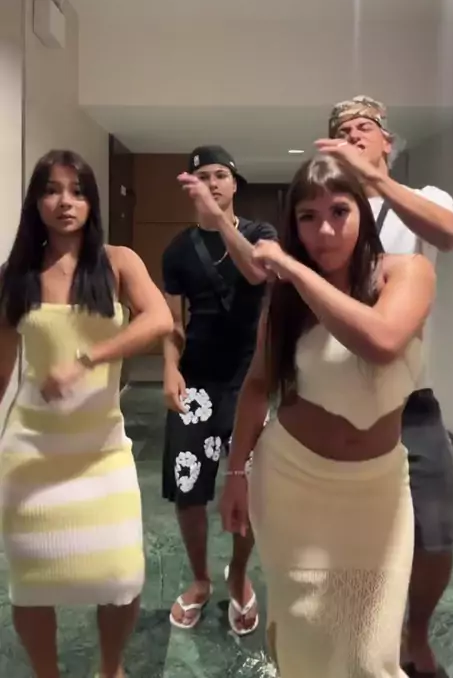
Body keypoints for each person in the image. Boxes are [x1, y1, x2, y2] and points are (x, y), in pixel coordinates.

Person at [221, 152, 436, 677]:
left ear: (363, 212)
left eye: (339, 211)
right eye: (307, 217)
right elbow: (257, 385)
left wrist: (292, 267)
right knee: (307, 645)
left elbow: (381, 341)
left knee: (371, 657)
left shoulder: (407, 273)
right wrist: (235, 473)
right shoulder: (287, 301)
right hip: (294, 484)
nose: (324, 230)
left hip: (379, 494)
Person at [0, 149, 174, 678]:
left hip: (102, 450)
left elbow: (160, 319)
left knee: (121, 577)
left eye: (77, 192)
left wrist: (87, 359)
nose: (65, 202)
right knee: (32, 585)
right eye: (52, 190)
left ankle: (110, 668)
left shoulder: (118, 262)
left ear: (92, 202)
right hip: (31, 453)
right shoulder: (15, 275)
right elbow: (1, 370)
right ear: (36, 202)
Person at [315, 96, 453, 678]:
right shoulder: (329, 212)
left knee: (436, 532)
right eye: (342, 130)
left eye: (365, 127)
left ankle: (414, 634)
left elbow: (449, 234)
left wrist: (378, 182)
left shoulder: (425, 197)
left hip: (411, 400)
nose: (354, 135)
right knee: (345, 536)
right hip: (341, 396)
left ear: (387, 141)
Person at [161, 145, 277, 634]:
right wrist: (170, 368)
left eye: (220, 176)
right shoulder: (177, 250)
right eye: (202, 176)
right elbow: (172, 323)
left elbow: (256, 272)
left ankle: (238, 575)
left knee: (248, 486)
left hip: (251, 381)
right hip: (198, 381)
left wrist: (220, 223)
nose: (212, 184)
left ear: (234, 183)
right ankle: (201, 579)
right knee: (188, 489)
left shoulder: (261, 234)